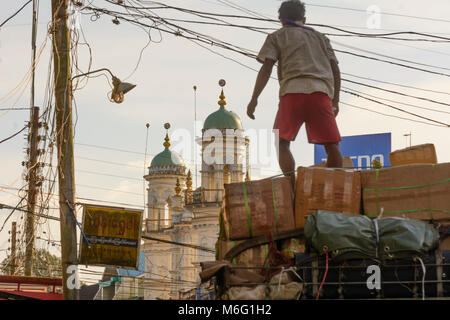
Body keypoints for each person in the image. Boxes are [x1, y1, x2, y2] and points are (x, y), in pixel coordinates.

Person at [247, 0, 343, 190]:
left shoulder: (277, 36)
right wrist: (336, 100)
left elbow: (266, 68)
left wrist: (254, 98)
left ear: (281, 20)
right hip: (320, 94)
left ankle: (292, 188)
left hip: (292, 93)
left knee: (281, 142)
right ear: (304, 20)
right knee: (332, 146)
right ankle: (335, 189)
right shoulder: (321, 38)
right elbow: (335, 70)